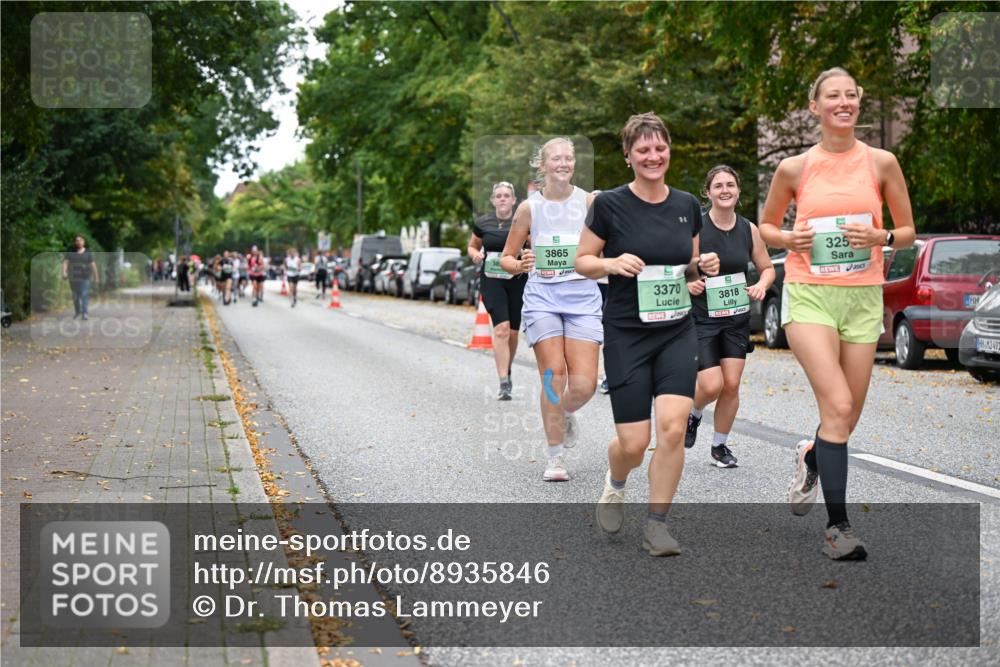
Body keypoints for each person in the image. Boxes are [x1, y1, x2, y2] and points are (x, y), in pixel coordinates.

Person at [759, 67, 915, 560]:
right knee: (838, 408)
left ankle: (811, 454)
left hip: (863, 296)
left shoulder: (883, 162)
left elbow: (908, 230)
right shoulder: (795, 169)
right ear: (816, 107)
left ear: (859, 102)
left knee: (845, 418)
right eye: (833, 96)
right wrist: (788, 238)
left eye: (851, 95)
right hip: (809, 294)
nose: (843, 102)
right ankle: (838, 529)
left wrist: (881, 237)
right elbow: (765, 226)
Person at [576, 112, 720, 556]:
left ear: (668, 151)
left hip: (677, 330)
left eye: (660, 148)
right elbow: (582, 260)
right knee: (635, 443)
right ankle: (616, 481)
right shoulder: (610, 205)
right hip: (626, 333)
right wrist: (610, 264)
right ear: (628, 156)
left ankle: (657, 525)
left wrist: (703, 267)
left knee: (673, 429)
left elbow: (687, 263)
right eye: (643, 149)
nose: (653, 156)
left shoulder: (685, 207)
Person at [500, 138, 602, 482]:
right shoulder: (529, 208)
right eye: (556, 158)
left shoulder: (589, 202)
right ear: (542, 165)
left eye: (569, 158)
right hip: (543, 297)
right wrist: (521, 262)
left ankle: (565, 410)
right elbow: (506, 258)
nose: (564, 163)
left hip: (583, 298)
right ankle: (555, 457)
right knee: (553, 375)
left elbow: (606, 245)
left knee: (586, 383)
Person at [684, 166, 775, 467]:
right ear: (708, 192)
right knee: (711, 385)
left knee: (732, 384)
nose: (725, 190)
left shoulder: (749, 229)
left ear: (738, 191)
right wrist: (688, 282)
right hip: (703, 316)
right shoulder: (697, 228)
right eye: (718, 186)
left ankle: (719, 447)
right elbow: (679, 266)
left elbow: (768, 267)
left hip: (736, 315)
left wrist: (761, 284)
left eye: (731, 185)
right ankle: (694, 413)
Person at [468, 181, 528, 400]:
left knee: (512, 332)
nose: (502, 199)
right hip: (492, 280)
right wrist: (475, 254)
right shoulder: (483, 222)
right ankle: (504, 382)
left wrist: (527, 252)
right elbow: (472, 245)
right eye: (499, 196)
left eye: (507, 195)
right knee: (501, 329)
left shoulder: (523, 222)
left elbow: (533, 245)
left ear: (514, 200)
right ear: (493, 200)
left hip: (517, 279)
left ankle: (507, 367)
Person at [62, 235, 99, 320]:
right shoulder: (71, 252)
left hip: (85, 277)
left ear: (84, 242)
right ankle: (78, 312)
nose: (79, 242)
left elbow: (93, 265)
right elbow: (65, 263)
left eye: (80, 240)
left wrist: (96, 276)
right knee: (76, 296)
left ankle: (85, 313)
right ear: (75, 242)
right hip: (73, 277)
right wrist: (64, 272)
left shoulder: (88, 253)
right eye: (77, 240)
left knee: (84, 294)